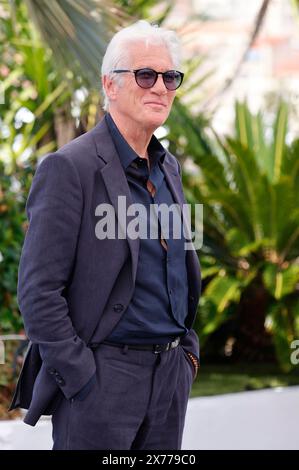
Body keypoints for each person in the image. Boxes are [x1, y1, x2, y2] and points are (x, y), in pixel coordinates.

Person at [9, 20, 201, 450]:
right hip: (103, 382)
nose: (160, 88)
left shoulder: (168, 167)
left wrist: (187, 356)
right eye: (145, 75)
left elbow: (175, 269)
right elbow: (39, 291)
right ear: (109, 85)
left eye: (169, 77)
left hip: (170, 379)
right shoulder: (68, 168)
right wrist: (82, 376)